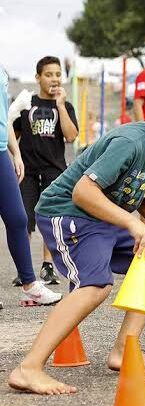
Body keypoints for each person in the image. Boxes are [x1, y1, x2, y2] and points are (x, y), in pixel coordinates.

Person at [7, 73, 145, 395]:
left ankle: (124, 349)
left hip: (103, 218)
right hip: (68, 212)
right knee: (96, 285)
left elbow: (143, 199)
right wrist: (131, 224)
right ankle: (28, 367)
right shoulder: (130, 143)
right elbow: (83, 192)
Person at [12, 56, 79, 287]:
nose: (54, 79)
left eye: (58, 74)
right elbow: (14, 135)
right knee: (23, 220)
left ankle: (48, 267)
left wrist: (60, 105)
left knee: (49, 219)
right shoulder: (27, 103)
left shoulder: (65, 106)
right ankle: (25, 270)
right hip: (27, 171)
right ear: (38, 77)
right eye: (49, 74)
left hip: (55, 170)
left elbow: (71, 136)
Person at [1, 67, 63, 307]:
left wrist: (14, 153)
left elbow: (3, 116)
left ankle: (30, 285)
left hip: (0, 152)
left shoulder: (3, 72)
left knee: (17, 218)